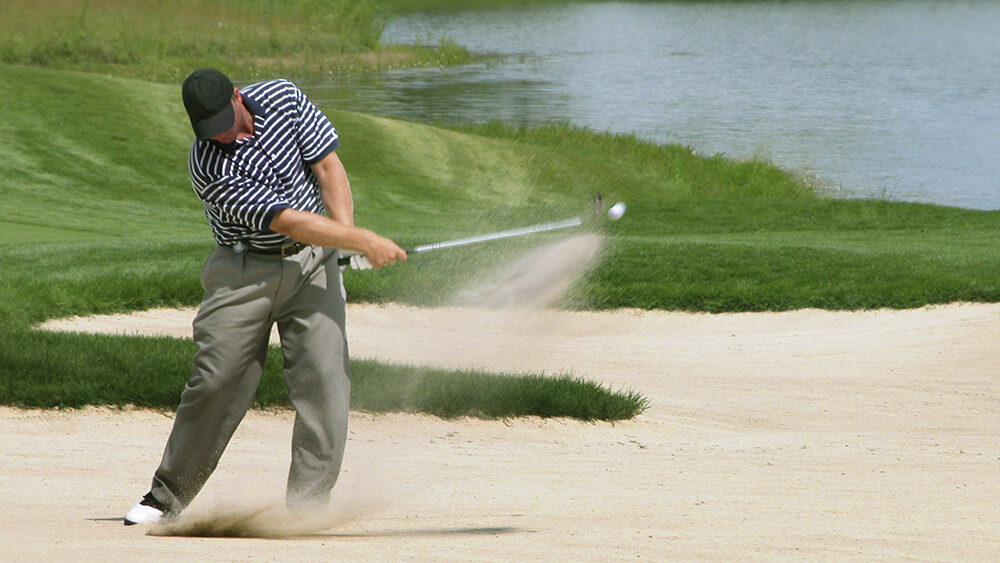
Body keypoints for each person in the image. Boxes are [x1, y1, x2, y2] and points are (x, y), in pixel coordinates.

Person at [124, 68, 406, 525]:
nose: (222, 135)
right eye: (209, 130)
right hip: (243, 272)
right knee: (217, 380)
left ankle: (308, 506)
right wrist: (363, 242)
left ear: (238, 96)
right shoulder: (208, 164)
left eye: (225, 122)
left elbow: (328, 167)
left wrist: (344, 238)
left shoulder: (285, 98)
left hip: (312, 262)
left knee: (325, 378)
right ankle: (167, 496)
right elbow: (287, 220)